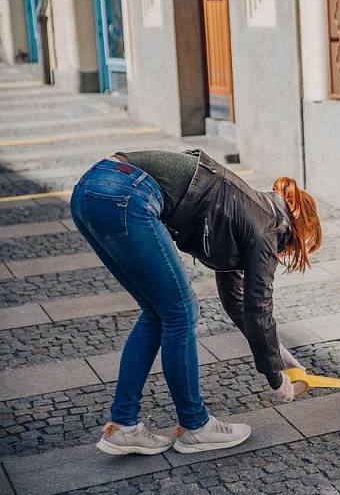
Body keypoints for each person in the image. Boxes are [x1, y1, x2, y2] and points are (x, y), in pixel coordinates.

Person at [70, 149, 320, 455]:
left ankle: (123, 426)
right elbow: (259, 308)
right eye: (292, 247)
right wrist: (275, 379)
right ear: (296, 227)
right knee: (182, 313)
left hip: (89, 190)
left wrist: (280, 357)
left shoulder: (246, 210)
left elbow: (238, 303)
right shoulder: (270, 226)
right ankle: (195, 426)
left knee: (156, 311)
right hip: (128, 194)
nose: (283, 253)